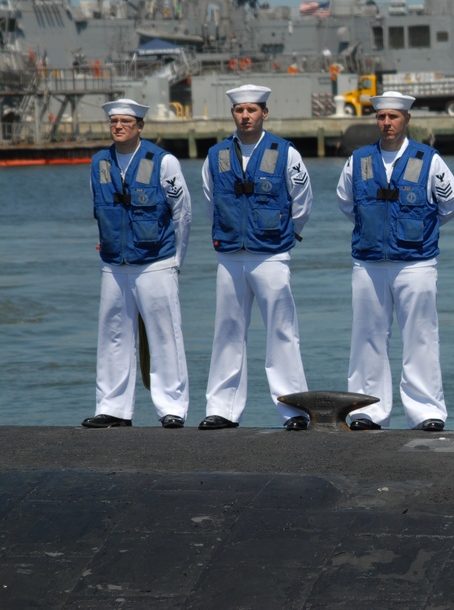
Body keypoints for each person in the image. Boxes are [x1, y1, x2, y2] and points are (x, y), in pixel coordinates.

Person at [336, 91, 454, 431]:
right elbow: (347, 203)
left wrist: (420, 229)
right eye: (381, 117)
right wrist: (374, 229)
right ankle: (367, 411)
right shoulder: (358, 160)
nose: (387, 123)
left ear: (407, 120)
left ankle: (426, 412)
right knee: (367, 337)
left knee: (421, 337)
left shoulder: (429, 159)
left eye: (393, 117)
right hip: (368, 263)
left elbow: (453, 204)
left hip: (416, 263)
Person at [200, 84, 313, 431]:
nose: (245, 116)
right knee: (227, 332)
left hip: (271, 255)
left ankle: (294, 410)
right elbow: (210, 200)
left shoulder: (285, 153)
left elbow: (302, 201)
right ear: (232, 114)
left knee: (282, 332)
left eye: (251, 110)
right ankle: (223, 409)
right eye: (239, 111)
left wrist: (284, 234)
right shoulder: (216, 155)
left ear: (264, 113)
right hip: (231, 255)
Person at [83, 99, 191, 429]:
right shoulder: (99, 162)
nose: (118, 126)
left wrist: (176, 261)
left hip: (155, 261)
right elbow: (97, 206)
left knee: (164, 335)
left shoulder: (164, 162)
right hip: (114, 263)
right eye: (114, 121)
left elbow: (182, 214)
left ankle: (171, 407)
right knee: (113, 335)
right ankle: (112, 408)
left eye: (126, 121)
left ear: (140, 126)